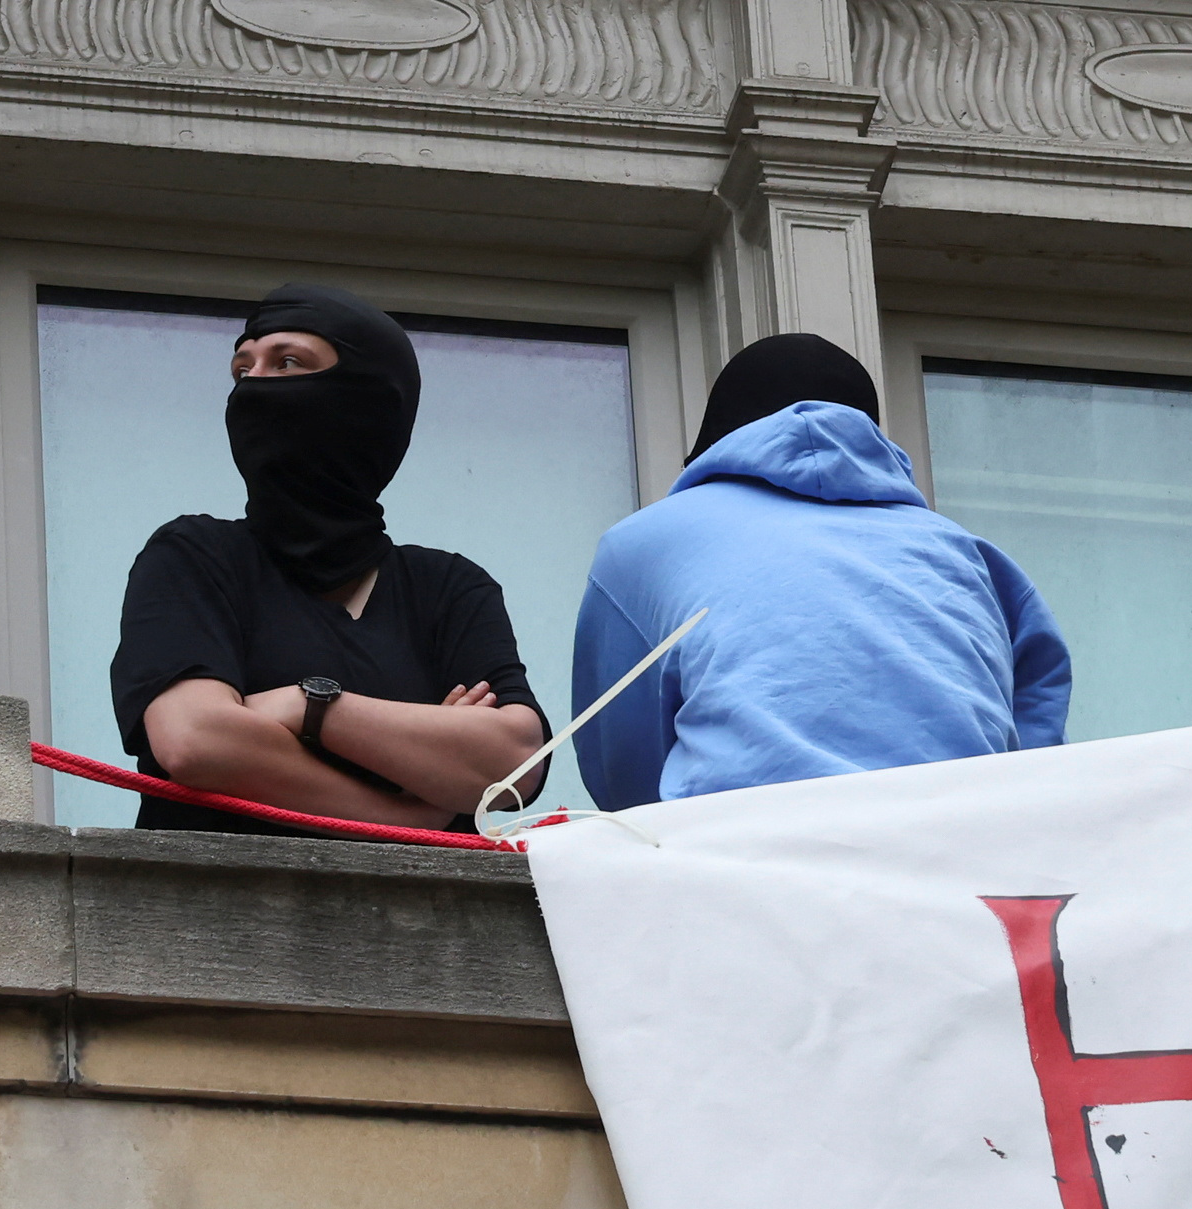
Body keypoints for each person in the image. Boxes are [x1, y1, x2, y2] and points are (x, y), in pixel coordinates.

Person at [108, 286, 547, 836]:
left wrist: (308, 707)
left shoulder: (448, 587)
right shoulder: (193, 556)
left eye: (288, 363)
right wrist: (407, 811)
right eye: (242, 370)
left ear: (369, 400)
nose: (254, 387)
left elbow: (515, 764)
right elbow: (197, 740)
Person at [567, 333, 1063, 806]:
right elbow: (1033, 763)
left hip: (747, 859)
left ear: (712, 447)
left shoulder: (645, 542)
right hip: (955, 856)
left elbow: (624, 776)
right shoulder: (969, 556)